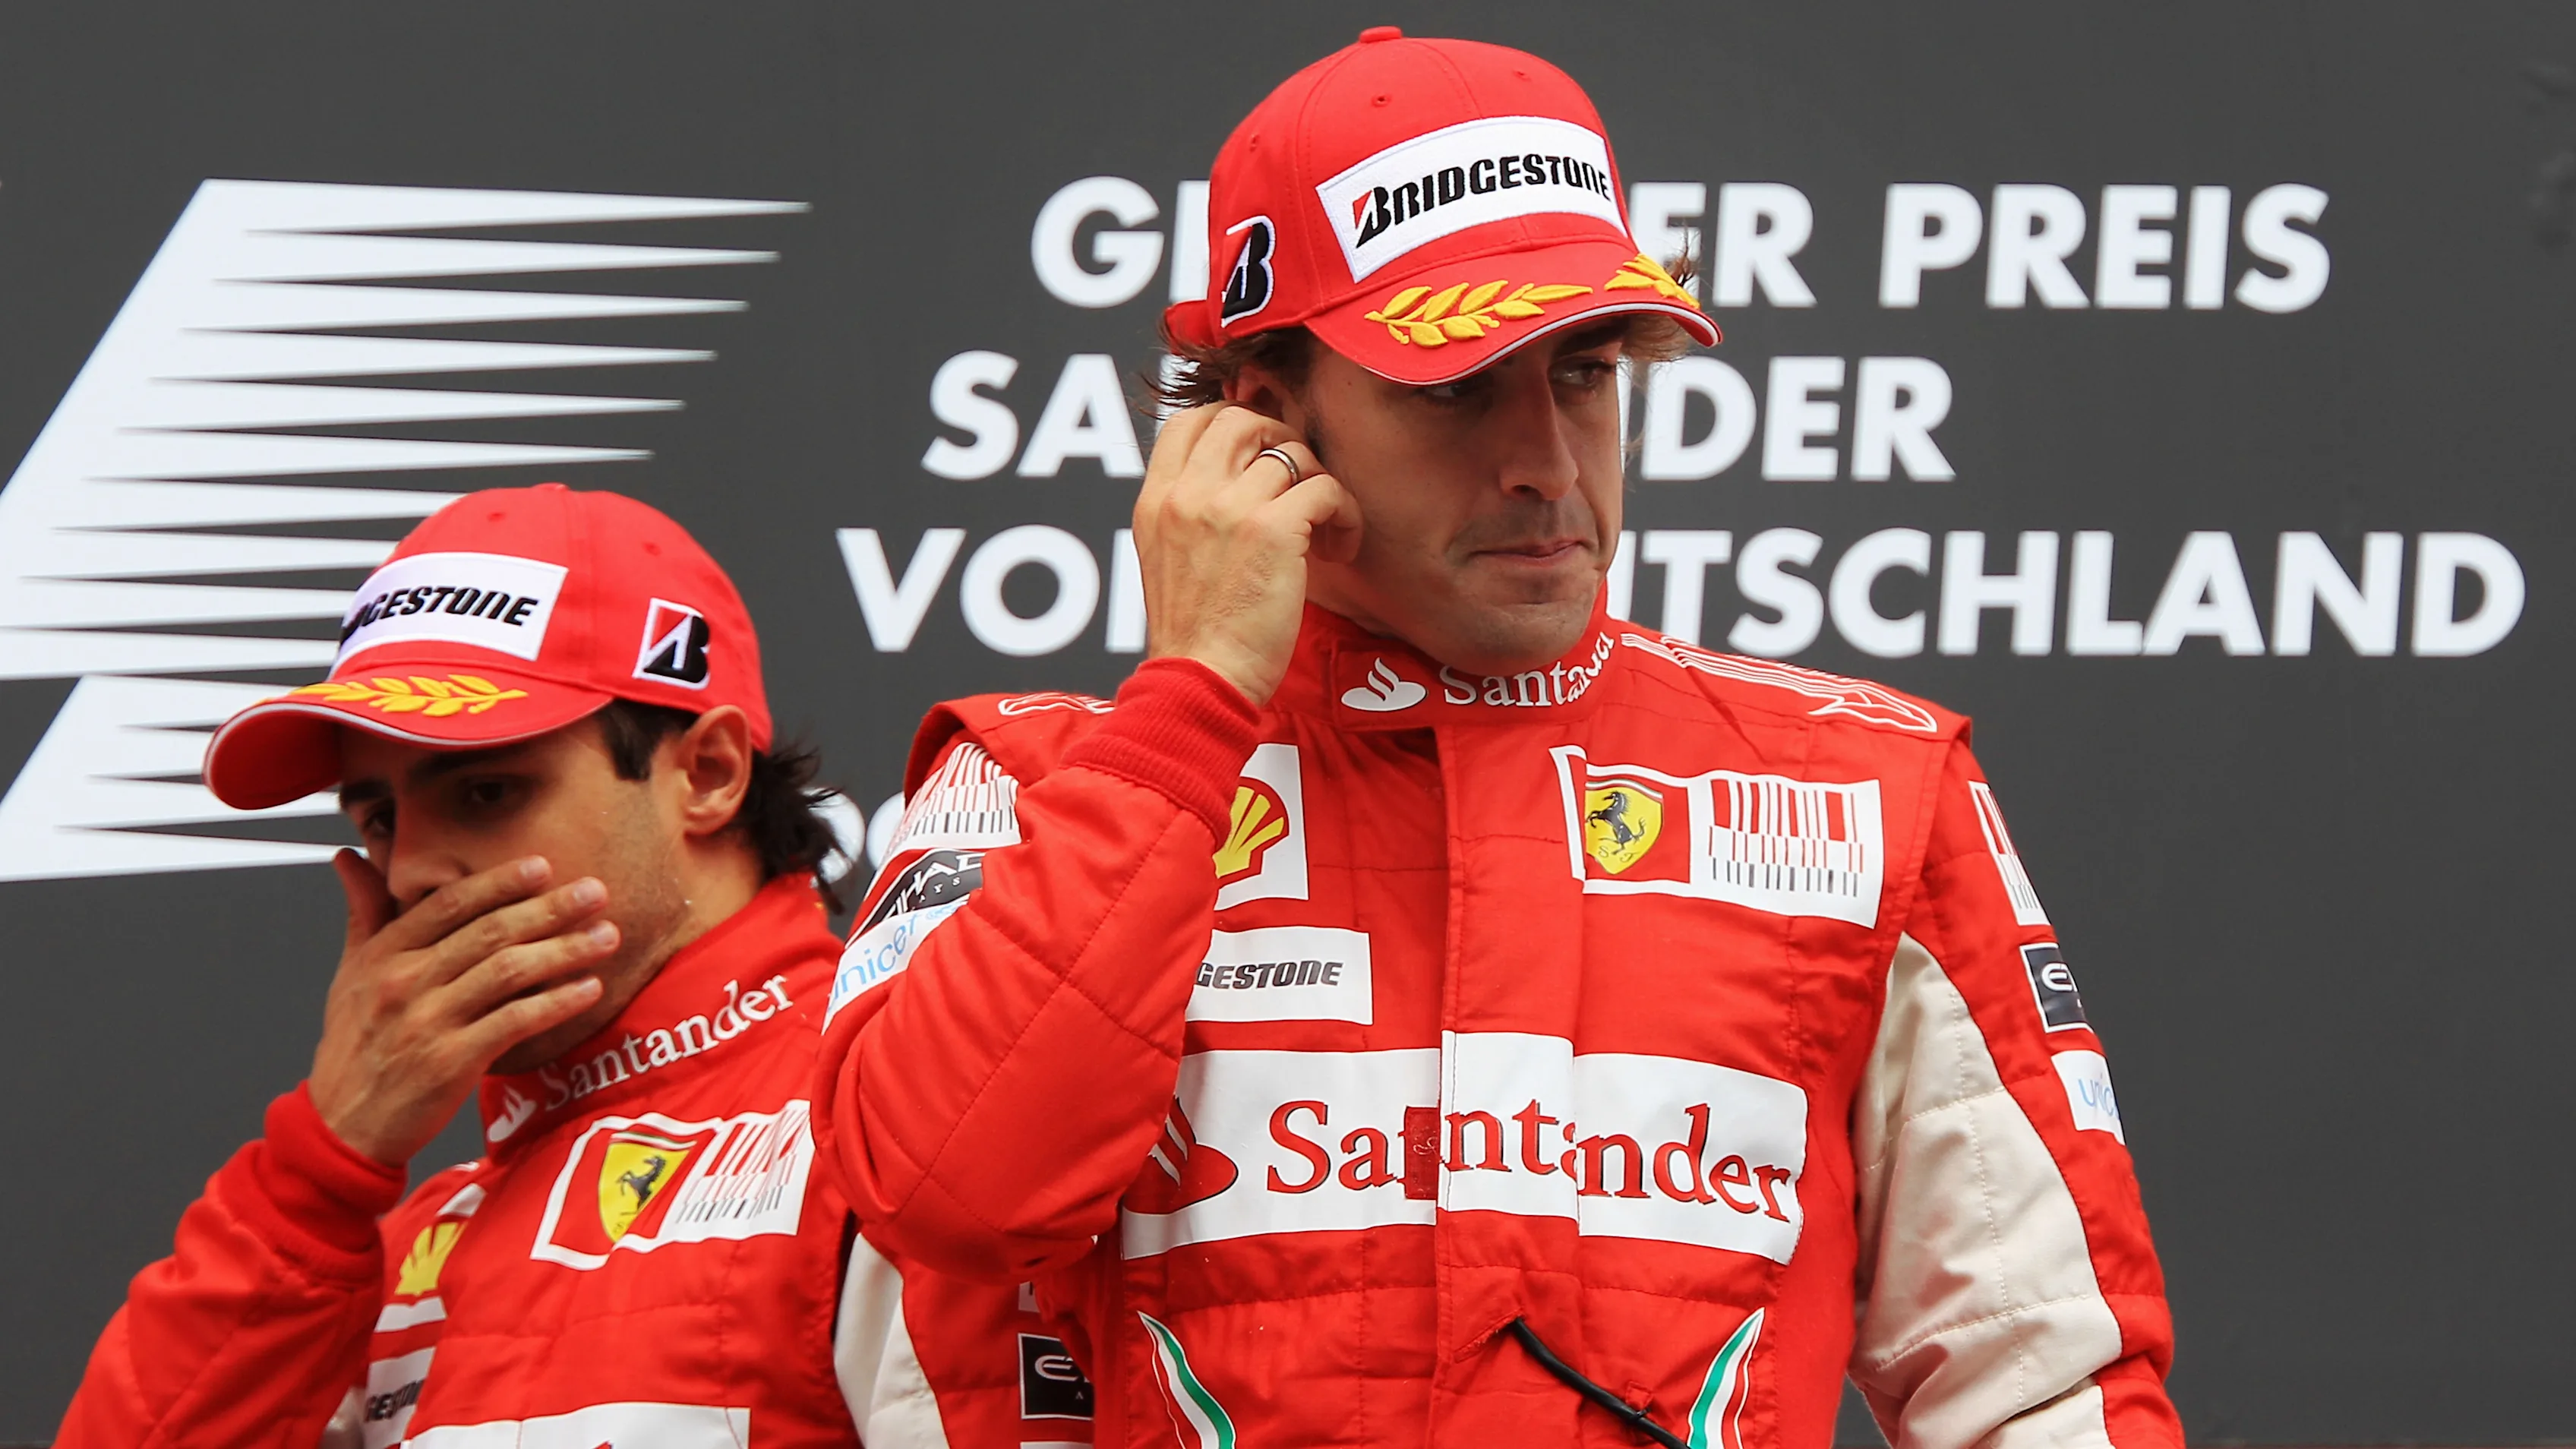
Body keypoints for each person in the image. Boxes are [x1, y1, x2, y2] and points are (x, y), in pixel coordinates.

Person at [816, 27, 2182, 1449]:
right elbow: (949, 1198)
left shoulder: (1867, 787)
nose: (1546, 460)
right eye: (1457, 386)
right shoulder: (1031, 782)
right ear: (1268, 420)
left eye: (1586, 374)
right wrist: (1195, 702)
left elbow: (2042, 1385)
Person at [58, 484, 1091, 1449]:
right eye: (378, 817)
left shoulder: (894, 1130)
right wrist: (321, 1173)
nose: (410, 871)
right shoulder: (387, 1246)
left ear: (708, 774)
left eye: (485, 792)